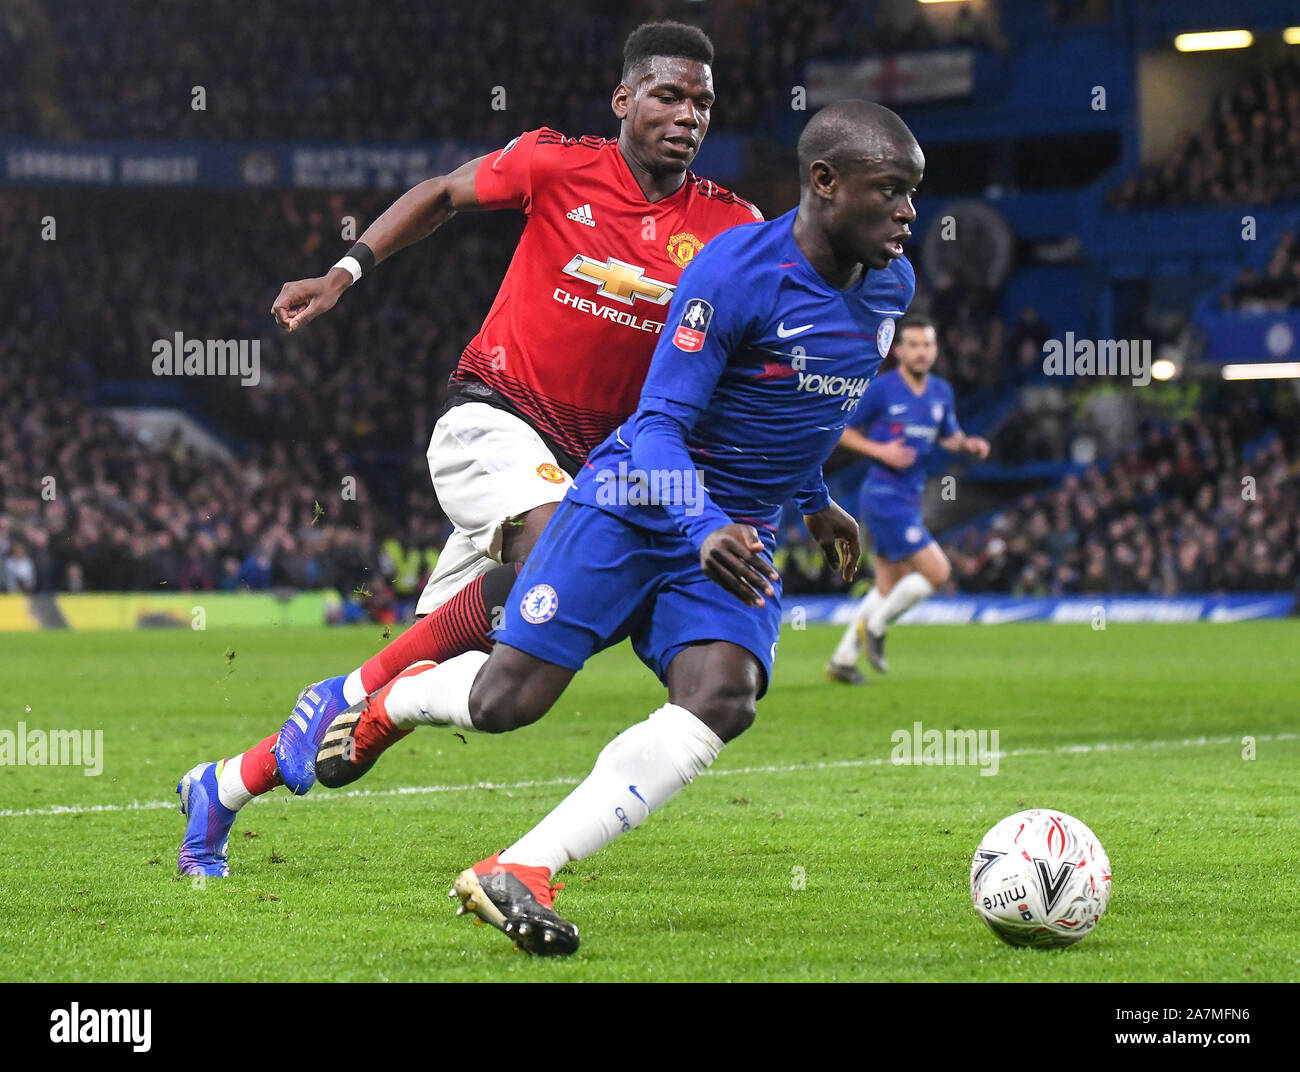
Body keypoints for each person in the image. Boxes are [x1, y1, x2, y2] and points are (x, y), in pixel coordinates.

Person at [313, 99, 922, 955]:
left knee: (724, 696)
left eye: (913, 194)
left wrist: (815, 497)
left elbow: (801, 400)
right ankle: (394, 704)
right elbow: (663, 421)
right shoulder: (732, 273)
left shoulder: (893, 285)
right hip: (636, 501)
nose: (908, 213)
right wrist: (702, 518)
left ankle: (522, 867)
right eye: (890, 191)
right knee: (504, 704)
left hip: (732, 530)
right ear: (824, 184)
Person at [176, 20, 761, 878]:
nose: (688, 116)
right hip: (494, 422)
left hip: (595, 474)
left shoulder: (726, 224)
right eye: (669, 95)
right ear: (625, 99)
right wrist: (344, 274)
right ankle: (343, 695)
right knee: (551, 545)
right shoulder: (559, 165)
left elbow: (752, 357)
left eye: (702, 102)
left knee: (441, 710)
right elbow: (444, 194)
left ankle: (224, 786)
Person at [826, 316, 989, 683]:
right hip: (884, 497)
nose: (921, 352)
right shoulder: (882, 389)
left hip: (909, 496)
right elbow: (841, 430)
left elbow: (947, 435)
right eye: (913, 345)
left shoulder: (941, 392)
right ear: (899, 351)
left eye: (927, 345)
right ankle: (878, 629)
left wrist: (968, 445)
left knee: (887, 587)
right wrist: (880, 450)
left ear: (935, 350)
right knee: (938, 572)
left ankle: (842, 660)